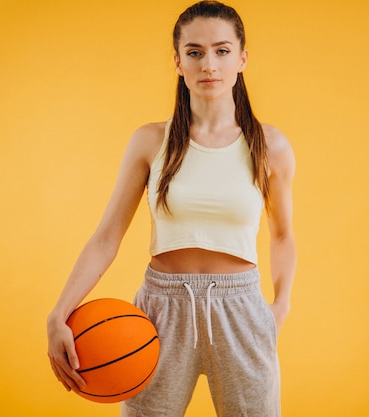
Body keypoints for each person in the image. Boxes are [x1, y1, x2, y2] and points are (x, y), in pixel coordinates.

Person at [47, 1, 296, 415]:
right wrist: (58, 314)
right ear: (178, 62)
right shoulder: (149, 142)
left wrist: (279, 307)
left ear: (242, 58)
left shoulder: (271, 146)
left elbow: (283, 235)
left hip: (241, 312)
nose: (209, 65)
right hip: (161, 312)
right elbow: (107, 236)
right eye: (195, 52)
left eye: (222, 50)